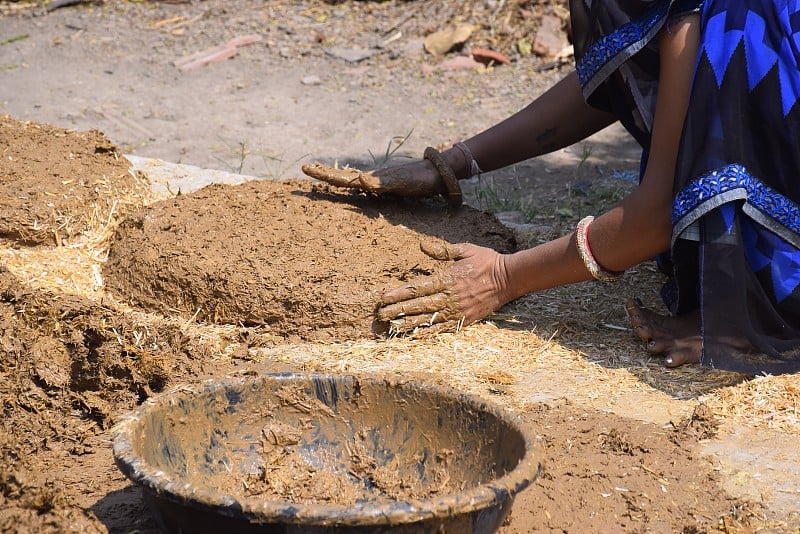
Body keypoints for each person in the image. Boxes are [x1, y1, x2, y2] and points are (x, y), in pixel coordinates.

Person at [303, 0, 800, 375]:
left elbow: (655, 216)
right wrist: (452, 164)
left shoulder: (710, 17)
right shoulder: (681, 13)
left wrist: (501, 277)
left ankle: (764, 318)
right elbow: (618, 75)